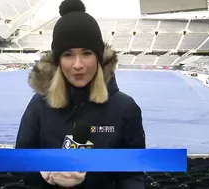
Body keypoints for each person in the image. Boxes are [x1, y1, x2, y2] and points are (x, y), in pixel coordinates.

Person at [16, 0, 146, 188]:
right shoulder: (39, 106)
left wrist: (89, 178)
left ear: (99, 58)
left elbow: (132, 174)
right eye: (68, 54)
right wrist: (43, 172)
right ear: (58, 61)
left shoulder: (126, 109)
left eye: (86, 53)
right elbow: (21, 164)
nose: (78, 65)